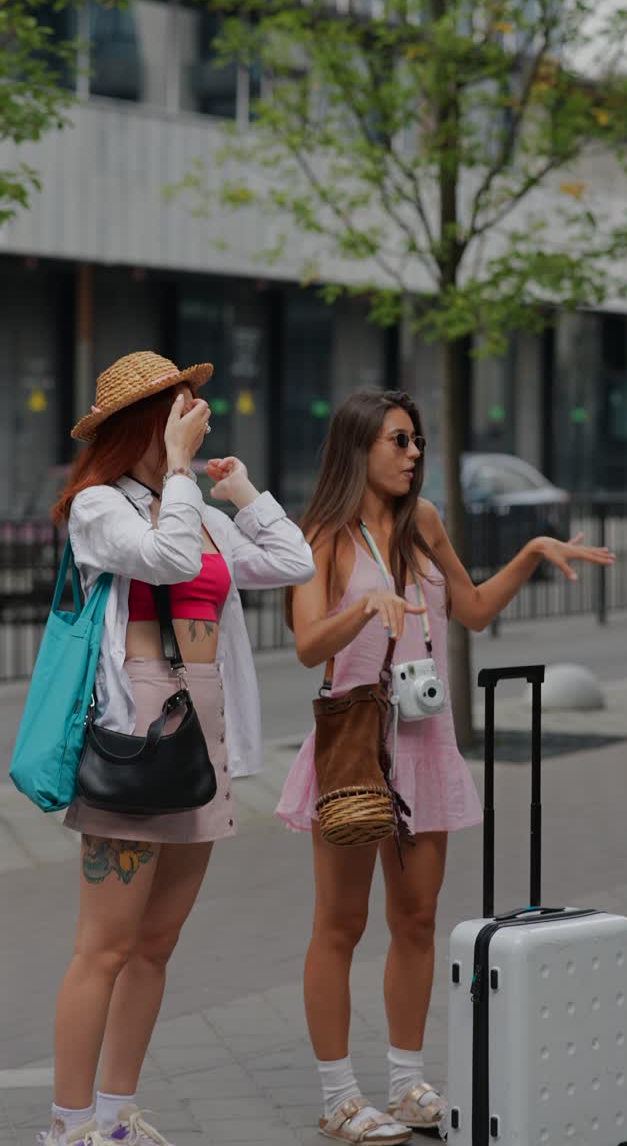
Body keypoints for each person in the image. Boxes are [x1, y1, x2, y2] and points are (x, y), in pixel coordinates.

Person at [276, 389, 616, 1145]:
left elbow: (472, 610)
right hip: (357, 744)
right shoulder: (323, 535)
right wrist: (363, 610)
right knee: (340, 923)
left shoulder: (423, 523)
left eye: (419, 440)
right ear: (359, 445)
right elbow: (306, 645)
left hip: (425, 742)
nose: (414, 453)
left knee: (418, 920)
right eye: (399, 440)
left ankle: (405, 1084)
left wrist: (531, 553)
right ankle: (338, 1097)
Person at [40, 351, 314, 1146]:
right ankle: (67, 1125)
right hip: (132, 742)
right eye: (180, 407)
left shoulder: (195, 504)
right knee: (105, 946)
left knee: (156, 944)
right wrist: (189, 476)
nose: (195, 415)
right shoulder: (99, 506)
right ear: (143, 425)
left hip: (205, 736)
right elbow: (165, 558)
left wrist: (241, 491)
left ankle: (118, 1113)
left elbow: (293, 563)